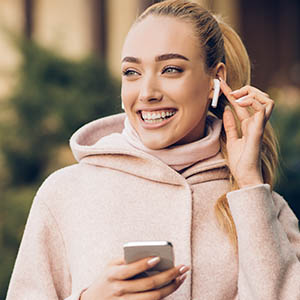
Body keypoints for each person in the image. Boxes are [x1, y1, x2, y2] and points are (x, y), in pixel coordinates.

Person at [6, 0, 300, 299]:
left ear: (216, 79)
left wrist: (249, 183)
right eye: (132, 72)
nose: (147, 93)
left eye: (171, 69)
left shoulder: (262, 206)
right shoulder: (65, 193)